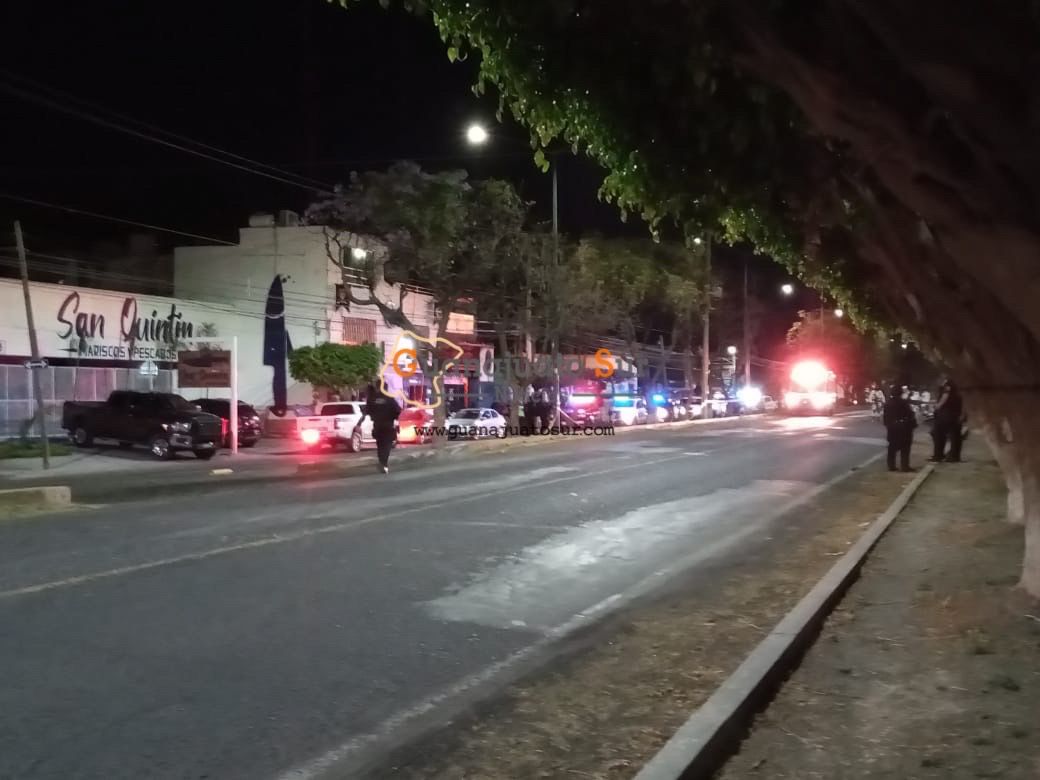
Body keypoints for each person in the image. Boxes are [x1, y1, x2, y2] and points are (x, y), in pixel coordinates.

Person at [361, 383, 401, 474]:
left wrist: (373, 416)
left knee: (380, 445)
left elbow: (367, 410)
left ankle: (382, 462)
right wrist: (393, 417)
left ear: (378, 387)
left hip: (377, 425)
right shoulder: (390, 398)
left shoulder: (372, 398)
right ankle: (384, 463)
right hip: (388, 425)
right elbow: (398, 410)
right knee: (387, 445)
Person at [883, 383, 917, 472]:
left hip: (892, 428)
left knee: (892, 448)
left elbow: (885, 418)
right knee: (905, 448)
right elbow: (910, 415)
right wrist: (912, 425)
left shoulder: (887, 403)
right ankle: (904, 466)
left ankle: (891, 466)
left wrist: (888, 426)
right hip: (903, 428)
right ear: (900, 392)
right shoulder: (903, 403)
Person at [933, 379, 964, 463]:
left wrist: (936, 406)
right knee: (955, 438)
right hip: (955, 418)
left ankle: (938, 455)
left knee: (939, 436)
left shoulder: (946, 393)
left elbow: (940, 404)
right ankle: (954, 457)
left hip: (944, 417)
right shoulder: (958, 395)